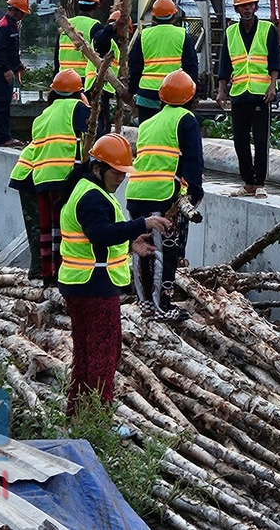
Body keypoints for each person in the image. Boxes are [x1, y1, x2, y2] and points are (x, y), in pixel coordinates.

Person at [58, 134, 173, 412]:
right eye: (117, 172)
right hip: (95, 287)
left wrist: (131, 245)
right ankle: (97, 419)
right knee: (103, 356)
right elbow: (99, 234)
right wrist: (140, 224)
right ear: (98, 168)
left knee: (86, 356)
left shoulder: (89, 190)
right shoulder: (93, 198)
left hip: (82, 285)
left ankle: (77, 414)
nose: (121, 178)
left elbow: (94, 237)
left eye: (124, 173)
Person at [127, 70, 205, 319]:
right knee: (165, 251)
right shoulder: (186, 119)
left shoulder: (148, 122)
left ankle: (146, 304)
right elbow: (193, 159)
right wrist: (194, 192)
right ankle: (163, 305)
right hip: (163, 195)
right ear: (191, 98)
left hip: (137, 192)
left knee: (142, 250)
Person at [10, 70, 90, 283]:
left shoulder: (45, 114)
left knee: (45, 229)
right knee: (48, 228)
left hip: (35, 174)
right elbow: (93, 129)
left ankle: (44, 271)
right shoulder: (75, 109)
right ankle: (43, 271)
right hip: (36, 175)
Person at [216, 0, 280, 197]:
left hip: (261, 93)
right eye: (243, 6)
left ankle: (260, 182)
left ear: (255, 6)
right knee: (240, 140)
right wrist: (221, 89)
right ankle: (248, 182)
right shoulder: (230, 32)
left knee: (261, 139)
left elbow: (274, 60)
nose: (247, 9)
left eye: (250, 5)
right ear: (237, 9)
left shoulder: (267, 30)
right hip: (239, 93)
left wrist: (273, 85)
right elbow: (225, 64)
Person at [57, 0, 121, 136]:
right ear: (97, 6)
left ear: (78, 5)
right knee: (85, 121)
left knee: (67, 119)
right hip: (84, 81)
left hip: (62, 79)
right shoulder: (95, 26)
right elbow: (98, 50)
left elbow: (56, 54)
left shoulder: (66, 26)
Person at [127, 0, 197, 120]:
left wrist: (131, 90)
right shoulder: (182, 35)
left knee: (147, 133)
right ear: (174, 16)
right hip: (175, 92)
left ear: (153, 17)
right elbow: (191, 67)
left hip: (147, 94)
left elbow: (135, 67)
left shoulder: (144, 35)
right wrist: (193, 94)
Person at [0, 0, 31, 147]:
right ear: (15, 10)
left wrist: (17, 64)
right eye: (22, 13)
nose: (23, 17)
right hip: (0, 72)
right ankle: (3, 138)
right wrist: (7, 70)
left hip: (4, 70)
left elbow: (10, 50)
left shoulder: (11, 25)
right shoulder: (5, 27)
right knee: (1, 105)